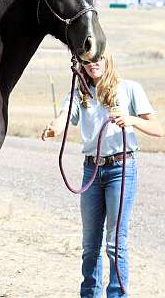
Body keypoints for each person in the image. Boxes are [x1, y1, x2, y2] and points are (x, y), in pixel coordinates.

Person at [40, 48, 163, 298]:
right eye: (87, 60)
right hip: (92, 171)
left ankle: (117, 295)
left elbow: (157, 128)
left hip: (121, 169)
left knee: (115, 243)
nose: (92, 63)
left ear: (107, 59)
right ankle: (89, 295)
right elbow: (64, 117)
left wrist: (131, 120)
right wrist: (54, 128)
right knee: (90, 245)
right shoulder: (79, 93)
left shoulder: (129, 88)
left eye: (97, 58)